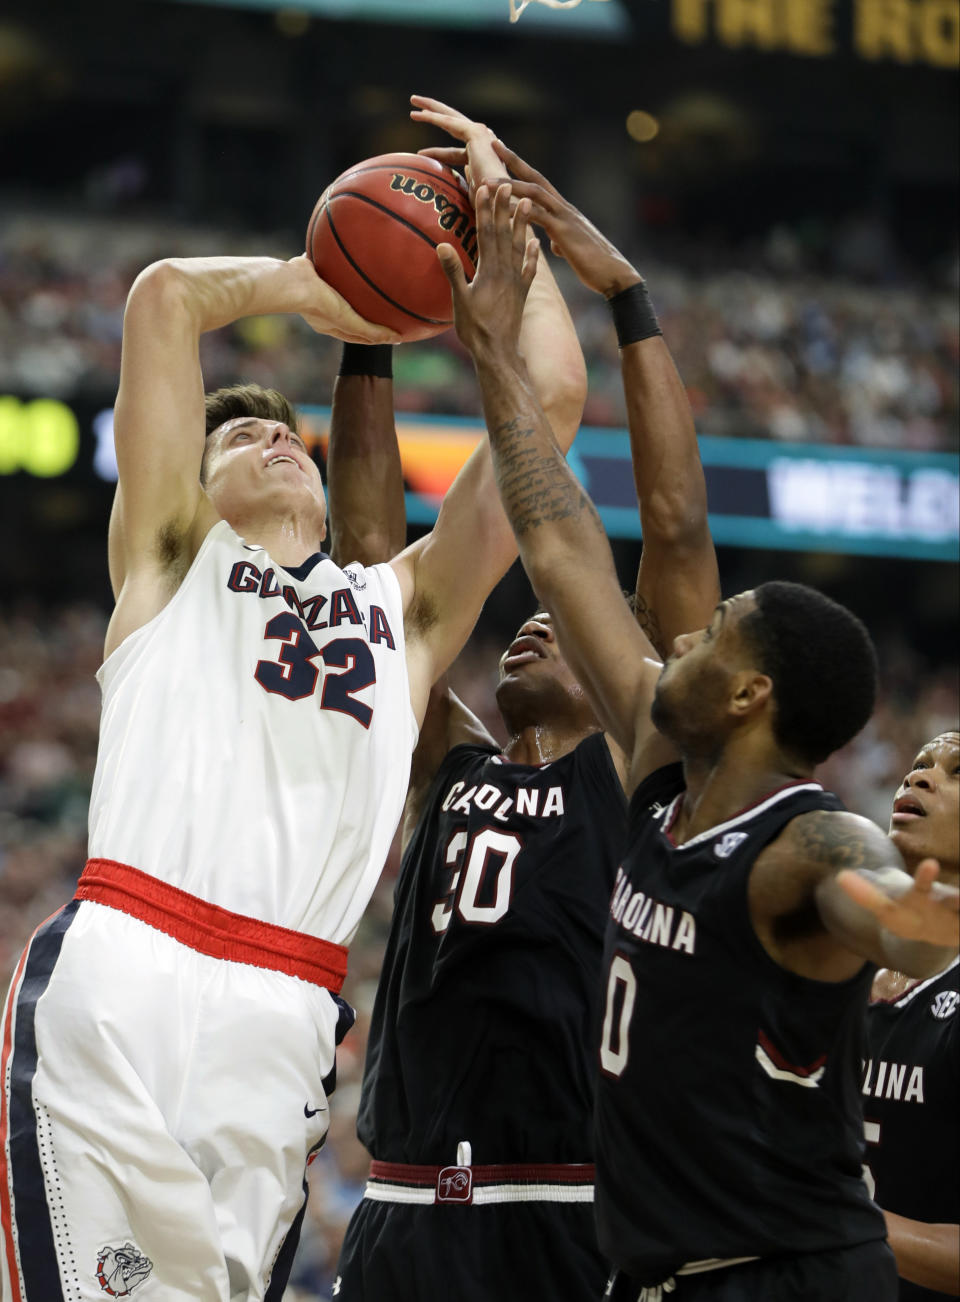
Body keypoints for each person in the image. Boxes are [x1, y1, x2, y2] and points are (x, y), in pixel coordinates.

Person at [0, 224, 581, 1302]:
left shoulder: (400, 610)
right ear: (184, 481)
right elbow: (165, 297)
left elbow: (550, 412)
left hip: (284, 1004)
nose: (275, 437)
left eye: (288, 434)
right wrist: (311, 289)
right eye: (241, 436)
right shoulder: (172, 558)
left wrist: (517, 253)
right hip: (130, 958)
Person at [439, 165, 960, 1301]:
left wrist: (900, 917)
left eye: (713, 634)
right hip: (661, 1273)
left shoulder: (804, 846)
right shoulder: (663, 767)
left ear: (751, 696)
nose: (677, 640)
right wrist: (517, 338)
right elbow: (559, 531)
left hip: (784, 1277)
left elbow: (864, 892)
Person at [330, 98, 720, 1302]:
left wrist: (628, 301)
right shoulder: (449, 758)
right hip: (401, 1205)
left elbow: (674, 530)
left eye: (567, 613)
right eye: (523, 619)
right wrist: (370, 332)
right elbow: (366, 556)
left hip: (569, 1202)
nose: (536, 621)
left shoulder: (645, 769)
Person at [864, 730, 959, 1300]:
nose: (918, 776)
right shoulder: (840, 966)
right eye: (919, 763)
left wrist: (831, 1221)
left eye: (956, 772)